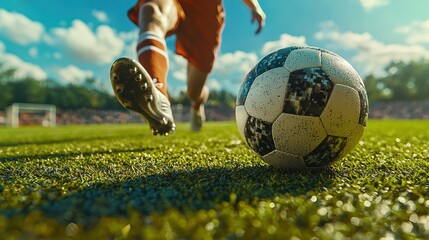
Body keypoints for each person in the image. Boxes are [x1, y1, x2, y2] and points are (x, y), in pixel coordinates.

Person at [110, 0, 266, 135]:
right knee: (151, 11)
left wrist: (254, 6)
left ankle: (197, 104)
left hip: (205, 15)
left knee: (193, 91)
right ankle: (158, 92)